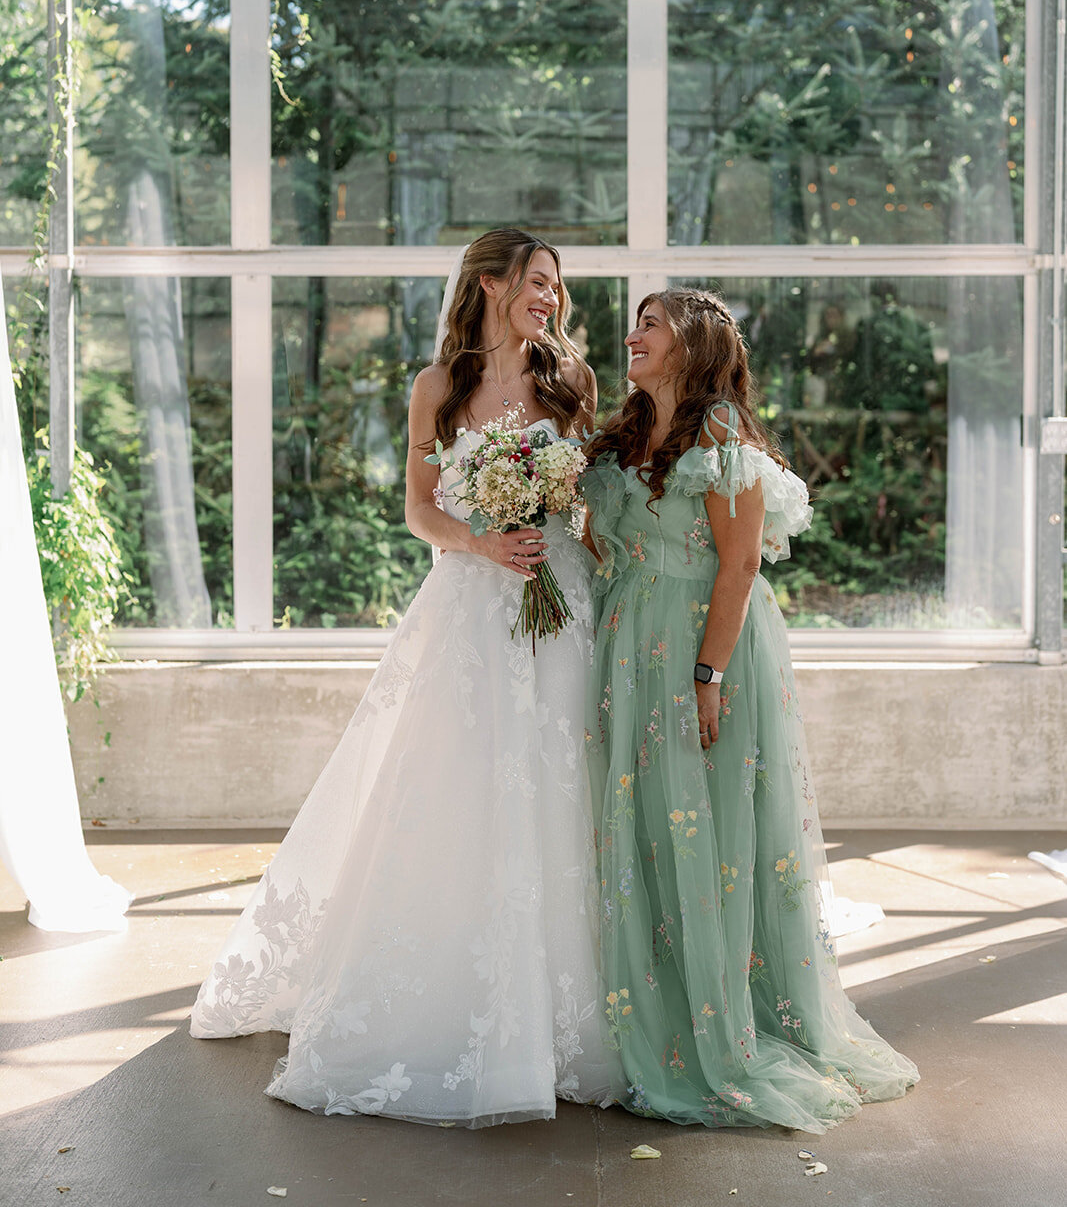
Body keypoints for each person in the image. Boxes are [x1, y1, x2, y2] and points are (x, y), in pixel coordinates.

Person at [191, 229, 618, 1125]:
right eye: (538, 281)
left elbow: (587, 499)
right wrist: (482, 539)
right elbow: (422, 511)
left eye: (556, 286)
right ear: (493, 283)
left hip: (557, 603)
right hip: (468, 605)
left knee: (561, 789)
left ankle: (571, 1007)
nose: (551, 298)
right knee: (455, 793)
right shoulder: (438, 388)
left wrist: (575, 544)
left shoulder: (569, 381)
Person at [581, 287, 918, 1132]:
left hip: (704, 643)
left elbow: (736, 569)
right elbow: (601, 540)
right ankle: (649, 1011)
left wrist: (706, 675)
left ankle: (720, 1027)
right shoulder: (622, 435)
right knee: (646, 826)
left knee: (710, 827)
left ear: (690, 344)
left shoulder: (722, 439)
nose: (631, 337)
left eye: (648, 326)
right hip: (627, 640)